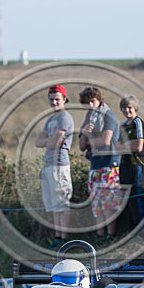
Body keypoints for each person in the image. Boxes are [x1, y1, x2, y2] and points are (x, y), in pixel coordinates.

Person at [78, 86, 121, 239]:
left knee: (108, 202)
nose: (90, 105)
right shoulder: (89, 117)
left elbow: (106, 141)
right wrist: (85, 133)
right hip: (95, 164)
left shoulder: (108, 115)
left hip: (109, 163)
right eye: (87, 103)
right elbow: (82, 146)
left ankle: (111, 235)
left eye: (93, 101)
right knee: (96, 203)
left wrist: (89, 136)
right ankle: (100, 234)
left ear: (99, 100)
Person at [35, 84, 74, 248]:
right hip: (48, 164)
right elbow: (39, 142)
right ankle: (57, 236)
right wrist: (48, 142)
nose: (54, 102)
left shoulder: (64, 118)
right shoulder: (51, 119)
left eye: (57, 99)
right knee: (53, 204)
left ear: (64, 99)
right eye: (51, 99)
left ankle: (64, 238)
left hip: (59, 165)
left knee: (62, 203)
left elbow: (53, 142)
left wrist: (48, 142)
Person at [118, 95, 144, 232]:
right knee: (127, 197)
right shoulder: (123, 125)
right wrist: (127, 145)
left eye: (129, 107)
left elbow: (138, 146)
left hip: (137, 164)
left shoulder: (138, 122)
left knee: (138, 196)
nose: (127, 110)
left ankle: (142, 229)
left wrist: (126, 145)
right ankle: (131, 229)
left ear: (135, 108)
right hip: (124, 165)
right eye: (124, 108)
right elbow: (117, 147)